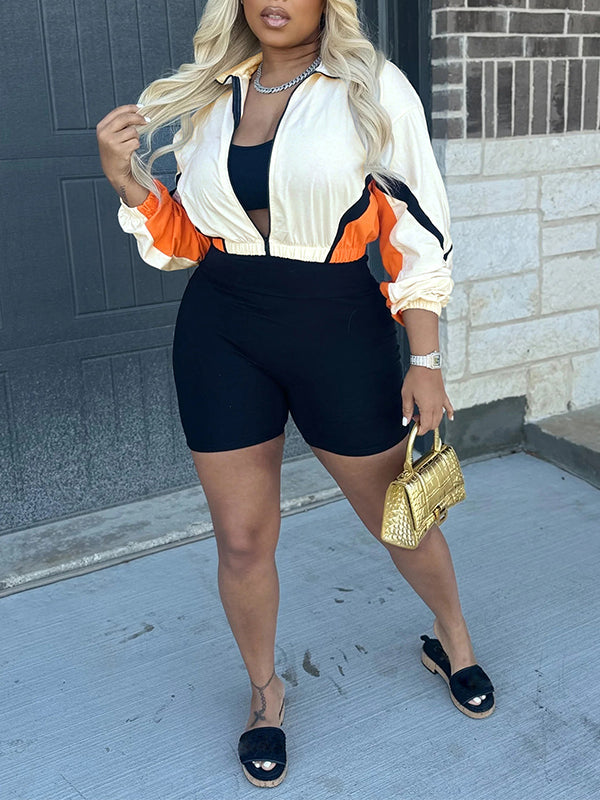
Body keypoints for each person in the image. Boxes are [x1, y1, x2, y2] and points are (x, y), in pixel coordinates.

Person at [96, 0, 495, 788]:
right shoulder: (212, 93)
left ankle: (453, 639)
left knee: (401, 516)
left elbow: (416, 227)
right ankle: (264, 693)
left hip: (337, 325)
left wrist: (425, 358)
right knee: (243, 542)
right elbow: (188, 241)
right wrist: (125, 180)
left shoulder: (371, 85)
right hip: (222, 329)